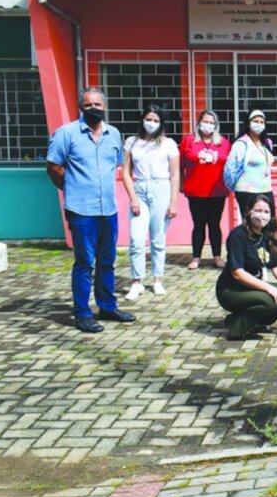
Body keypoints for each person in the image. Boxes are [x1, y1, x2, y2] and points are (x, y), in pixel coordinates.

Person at [46, 87, 136, 333]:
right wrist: (72, 187)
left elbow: (116, 168)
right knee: (85, 262)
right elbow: (53, 167)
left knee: (107, 260)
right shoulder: (66, 134)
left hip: (108, 209)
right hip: (81, 210)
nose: (93, 109)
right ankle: (82, 313)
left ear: (104, 106)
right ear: (80, 108)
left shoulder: (113, 134)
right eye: (88, 105)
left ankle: (107, 306)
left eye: (97, 104)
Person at [217, 196, 277, 340]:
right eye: (258, 210)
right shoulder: (237, 236)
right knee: (270, 301)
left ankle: (256, 323)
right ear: (249, 212)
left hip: (253, 286)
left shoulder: (268, 235)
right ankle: (236, 325)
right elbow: (237, 273)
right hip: (231, 290)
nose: (262, 216)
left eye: (266, 212)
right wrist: (268, 288)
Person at [122, 105, 180, 300]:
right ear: (142, 120)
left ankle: (157, 279)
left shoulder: (169, 144)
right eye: (149, 119)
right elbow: (126, 172)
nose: (152, 123)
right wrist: (133, 198)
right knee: (137, 239)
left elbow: (175, 174)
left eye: (156, 120)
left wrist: (173, 201)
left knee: (158, 239)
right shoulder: (132, 142)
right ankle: (136, 281)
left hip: (161, 189)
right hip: (140, 189)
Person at [180, 110, 231, 270]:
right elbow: (179, 165)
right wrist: (181, 184)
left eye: (211, 122)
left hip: (217, 191)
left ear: (216, 125)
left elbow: (229, 166)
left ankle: (217, 256)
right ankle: (196, 257)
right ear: (198, 123)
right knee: (199, 224)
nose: (208, 125)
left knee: (215, 224)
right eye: (205, 121)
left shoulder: (223, 142)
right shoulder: (188, 141)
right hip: (196, 191)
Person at [224, 109, 275, 217]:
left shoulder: (267, 143)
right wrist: (234, 186)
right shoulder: (241, 143)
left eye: (262, 122)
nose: (259, 124)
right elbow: (230, 169)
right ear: (248, 123)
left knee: (269, 223)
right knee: (251, 224)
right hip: (247, 191)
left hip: (266, 188)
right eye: (256, 121)